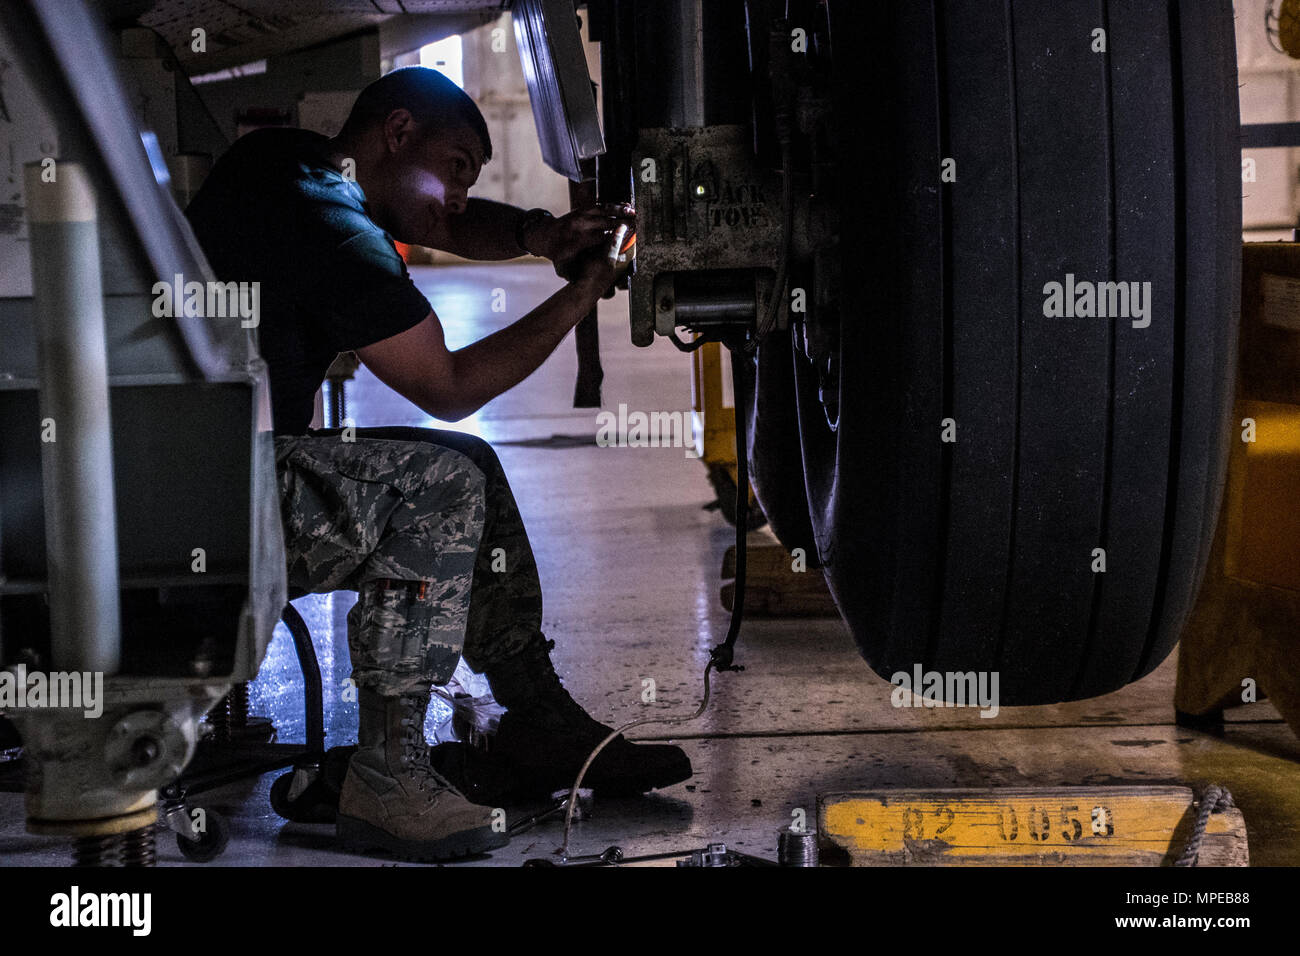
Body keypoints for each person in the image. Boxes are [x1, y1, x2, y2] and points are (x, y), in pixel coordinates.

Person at [186, 66, 691, 861]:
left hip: (193, 474)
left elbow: (440, 219)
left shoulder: (283, 164)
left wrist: (538, 235)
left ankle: (537, 721)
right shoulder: (330, 223)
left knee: (470, 464)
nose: (458, 199)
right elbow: (448, 386)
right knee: (441, 483)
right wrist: (580, 292)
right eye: (457, 168)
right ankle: (389, 778)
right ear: (397, 131)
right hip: (207, 503)